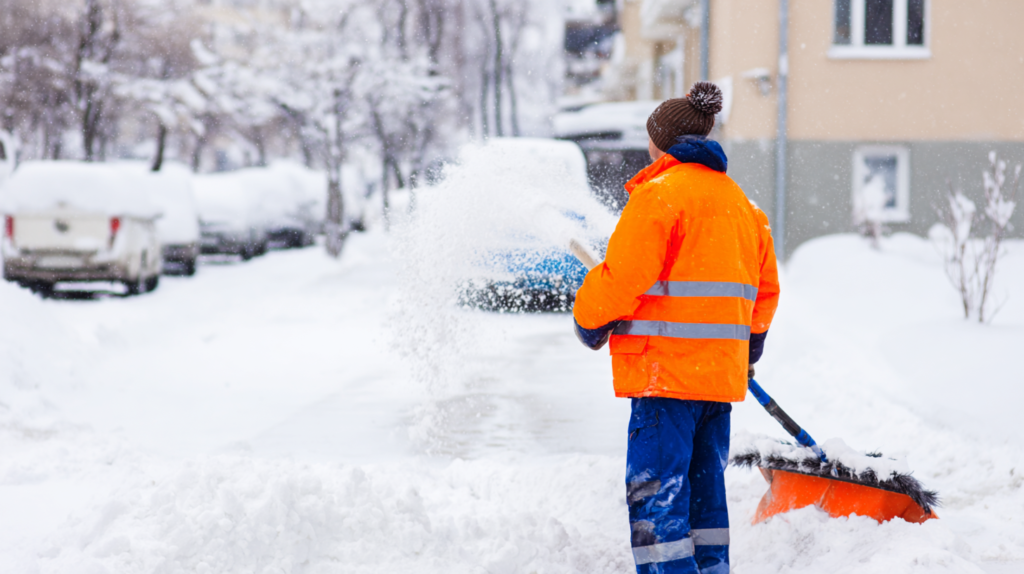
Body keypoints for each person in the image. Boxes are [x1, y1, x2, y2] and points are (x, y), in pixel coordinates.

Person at [572, 81, 780, 574]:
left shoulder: (658, 197)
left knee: (658, 495)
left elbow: (622, 280)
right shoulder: (743, 206)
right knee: (705, 490)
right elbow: (765, 291)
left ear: (659, 142)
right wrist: (748, 348)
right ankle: (711, 568)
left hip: (664, 379)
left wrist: (588, 319)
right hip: (716, 383)